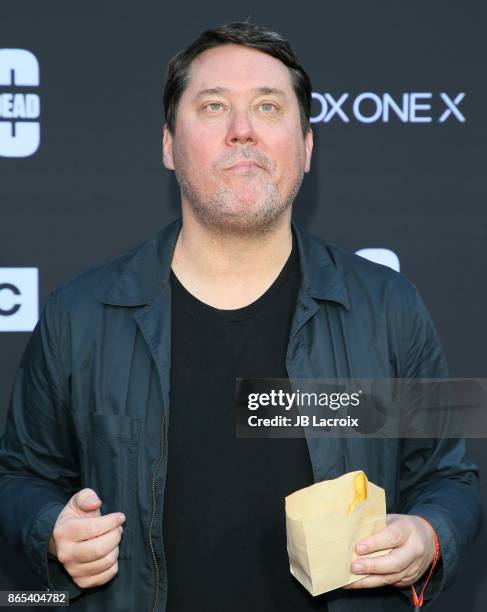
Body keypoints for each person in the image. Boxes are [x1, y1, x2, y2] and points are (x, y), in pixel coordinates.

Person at [0, 21, 482, 612]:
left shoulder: (388, 307)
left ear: (306, 146)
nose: (242, 130)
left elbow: (450, 480)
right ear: (169, 146)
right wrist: (50, 527)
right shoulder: (79, 315)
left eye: (268, 106)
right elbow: (19, 478)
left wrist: (429, 536)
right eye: (213, 106)